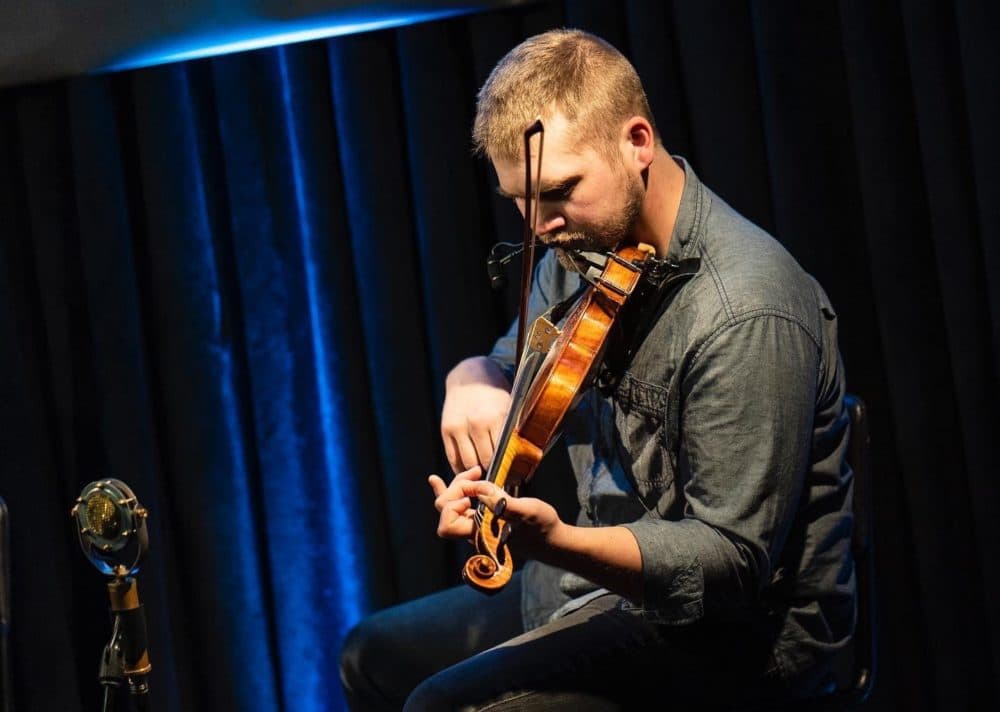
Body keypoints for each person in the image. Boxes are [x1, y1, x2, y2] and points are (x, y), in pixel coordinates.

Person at [340, 28, 855, 710]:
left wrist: (556, 542)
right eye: (519, 202)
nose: (539, 227)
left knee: (447, 705)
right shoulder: (589, 247)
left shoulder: (745, 308)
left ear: (637, 142)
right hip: (595, 589)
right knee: (371, 656)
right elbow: (509, 359)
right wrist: (469, 380)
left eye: (557, 193)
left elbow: (729, 562)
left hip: (734, 638)